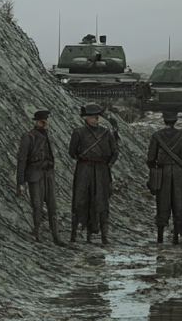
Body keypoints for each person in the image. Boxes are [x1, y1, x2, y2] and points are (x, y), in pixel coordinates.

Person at [68, 102, 118, 244]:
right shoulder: (78, 132)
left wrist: (107, 163)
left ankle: (103, 236)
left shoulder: (106, 133)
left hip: (101, 170)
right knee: (80, 200)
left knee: (101, 202)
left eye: (95, 116)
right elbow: (72, 152)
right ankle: (76, 234)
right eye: (91, 116)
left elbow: (115, 152)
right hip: (83, 170)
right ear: (86, 118)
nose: (94, 119)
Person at [146, 111, 182, 244]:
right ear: (176, 121)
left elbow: (150, 158)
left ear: (164, 121)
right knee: (179, 203)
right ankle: (176, 236)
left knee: (162, 202)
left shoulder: (156, 136)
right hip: (179, 172)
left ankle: (160, 236)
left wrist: (155, 169)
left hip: (163, 172)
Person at [16, 109, 62, 244]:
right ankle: (37, 234)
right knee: (37, 205)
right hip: (35, 175)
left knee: (52, 206)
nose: (45, 124)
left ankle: (56, 236)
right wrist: (20, 181)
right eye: (42, 121)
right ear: (37, 122)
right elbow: (22, 159)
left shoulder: (48, 136)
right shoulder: (28, 136)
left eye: (46, 121)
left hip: (48, 174)